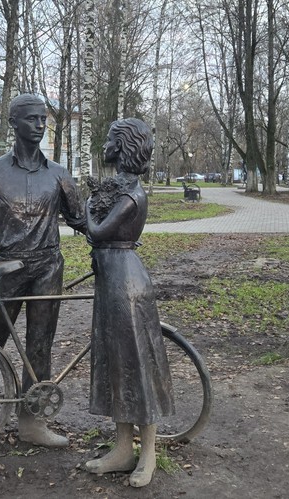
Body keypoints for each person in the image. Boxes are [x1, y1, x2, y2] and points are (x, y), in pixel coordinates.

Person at [0, 93, 87, 449]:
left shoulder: (58, 175)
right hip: (8, 267)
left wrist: (119, 238)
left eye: (43, 120)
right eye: (32, 119)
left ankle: (33, 422)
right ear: (14, 124)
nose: (40, 125)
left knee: (40, 346)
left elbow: (83, 221)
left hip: (48, 267)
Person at [82, 118, 173, 488]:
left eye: (109, 139)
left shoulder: (131, 192)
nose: (104, 143)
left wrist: (88, 205)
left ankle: (148, 453)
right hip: (110, 281)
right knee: (114, 366)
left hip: (126, 284)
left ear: (123, 146)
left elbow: (98, 231)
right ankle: (122, 448)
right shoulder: (115, 187)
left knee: (137, 367)